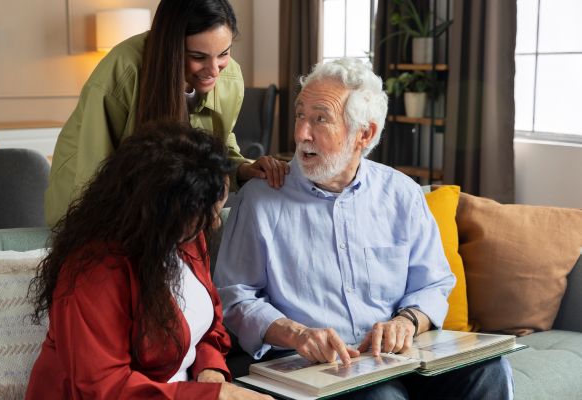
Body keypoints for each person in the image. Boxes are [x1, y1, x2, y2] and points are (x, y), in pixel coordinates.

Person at [214, 58, 514, 399]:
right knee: (381, 397)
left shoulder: (402, 194)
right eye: (300, 115)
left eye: (320, 119)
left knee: (491, 371)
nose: (301, 133)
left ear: (365, 134)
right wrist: (296, 333)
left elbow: (433, 281)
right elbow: (234, 295)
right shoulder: (260, 199)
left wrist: (408, 322)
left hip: (400, 355)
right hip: (312, 364)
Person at [26, 121, 272, 400]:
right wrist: (215, 396)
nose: (214, 223)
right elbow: (104, 388)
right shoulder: (94, 270)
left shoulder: (187, 238)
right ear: (163, 211)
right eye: (207, 213)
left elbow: (209, 327)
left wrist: (210, 371)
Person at [45, 0, 288, 226]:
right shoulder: (122, 71)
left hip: (166, 209)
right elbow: (92, 173)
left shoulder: (230, 78)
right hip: (93, 204)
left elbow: (219, 146)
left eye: (224, 53)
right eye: (198, 57)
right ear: (171, 48)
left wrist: (243, 169)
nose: (214, 70)